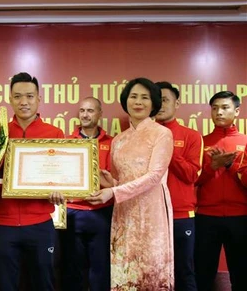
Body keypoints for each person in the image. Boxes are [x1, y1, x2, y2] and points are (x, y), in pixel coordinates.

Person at [85, 77, 174, 290]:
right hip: (124, 212)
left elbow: (154, 176)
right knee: (124, 271)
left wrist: (113, 191)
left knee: (151, 271)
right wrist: (109, 183)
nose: (138, 102)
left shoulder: (162, 134)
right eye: (133, 96)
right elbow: (120, 179)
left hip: (152, 212)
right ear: (126, 101)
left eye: (145, 97)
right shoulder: (119, 140)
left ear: (153, 103)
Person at [0, 72, 65, 291]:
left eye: (30, 96)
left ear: (39, 99)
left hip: (40, 221)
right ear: (10, 99)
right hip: (3, 222)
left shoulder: (54, 132)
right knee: (5, 283)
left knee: (44, 281)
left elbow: (62, 174)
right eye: (18, 96)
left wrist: (60, 190)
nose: (24, 102)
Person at [195, 91, 247, 291]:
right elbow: (193, 180)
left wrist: (231, 165)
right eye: (215, 108)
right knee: (203, 272)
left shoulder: (245, 141)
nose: (219, 112)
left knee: (242, 272)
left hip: (240, 216)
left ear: (237, 111)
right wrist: (212, 166)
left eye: (225, 108)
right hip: (207, 217)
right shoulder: (201, 142)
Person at [61, 97, 113, 291]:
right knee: (72, 268)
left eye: (90, 111)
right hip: (73, 212)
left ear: (100, 114)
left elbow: (116, 179)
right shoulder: (67, 141)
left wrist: (106, 181)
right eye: (82, 110)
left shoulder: (112, 143)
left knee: (100, 269)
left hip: (101, 212)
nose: (85, 114)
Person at [155, 81, 202, 291]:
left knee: (184, 271)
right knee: (152, 271)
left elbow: (192, 174)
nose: (161, 105)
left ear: (177, 103)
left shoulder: (191, 136)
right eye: (158, 100)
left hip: (181, 216)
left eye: (165, 100)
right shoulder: (143, 135)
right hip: (151, 216)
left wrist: (168, 148)